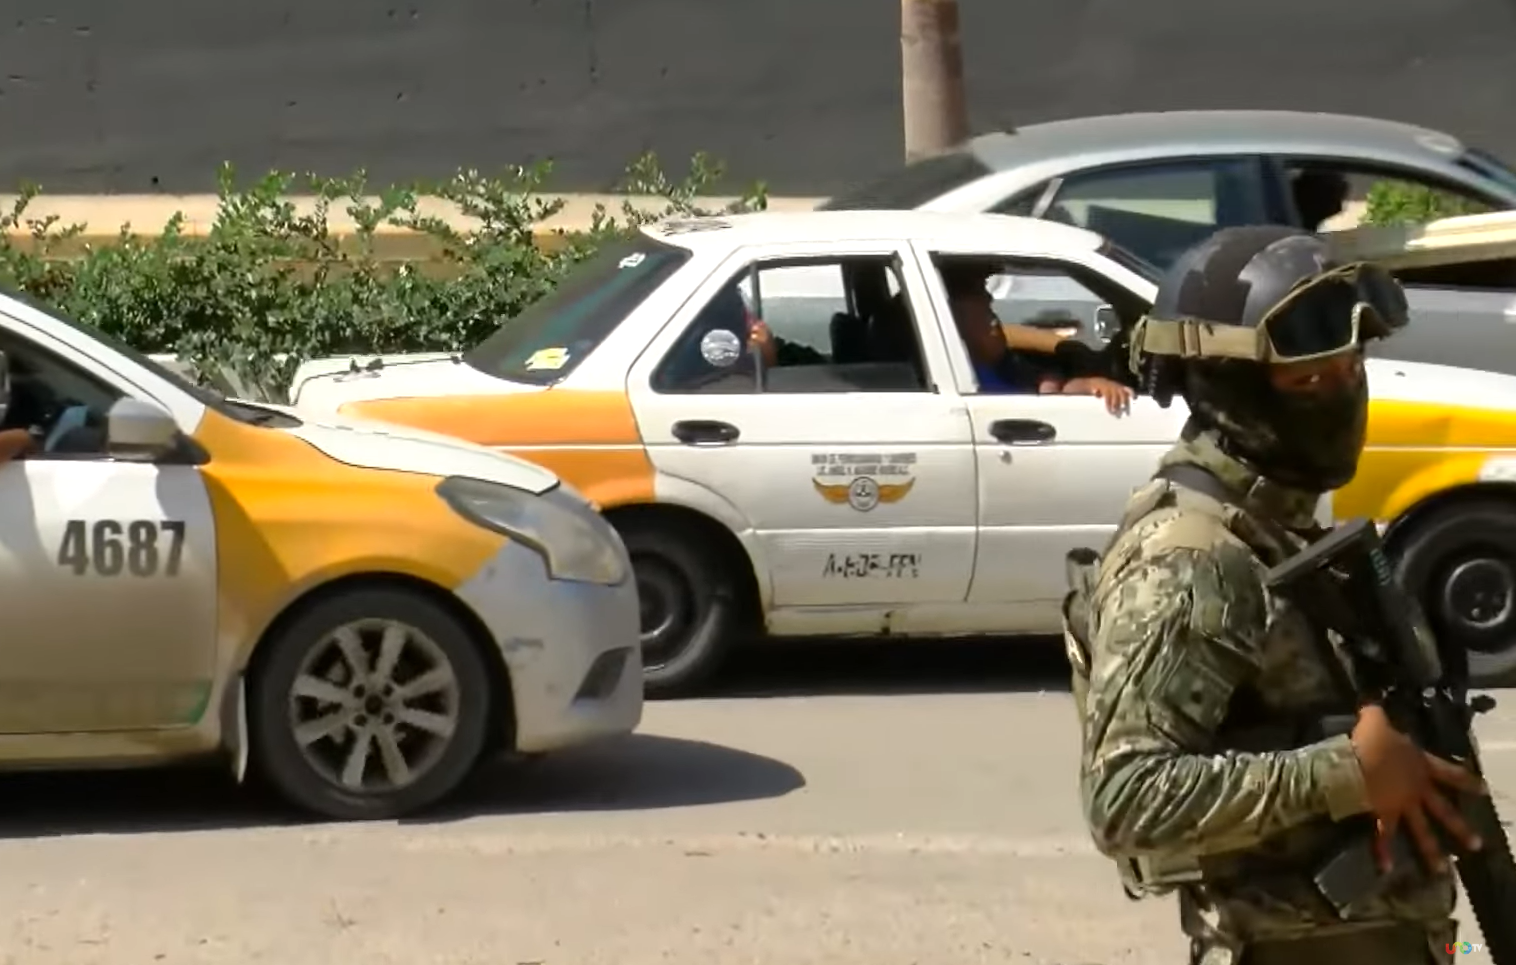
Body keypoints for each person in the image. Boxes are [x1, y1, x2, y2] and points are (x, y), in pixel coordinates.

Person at [1063, 225, 1487, 964]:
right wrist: (1347, 772)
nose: (1345, 392)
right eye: (1311, 379)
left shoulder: (1273, 526)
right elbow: (1125, 798)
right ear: (1229, 388)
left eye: (1353, 367)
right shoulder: (1194, 556)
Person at [939, 260, 1134, 414]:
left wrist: (1091, 385)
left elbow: (1056, 395)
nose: (989, 299)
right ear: (949, 314)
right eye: (975, 291)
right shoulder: (964, 377)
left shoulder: (1004, 365)